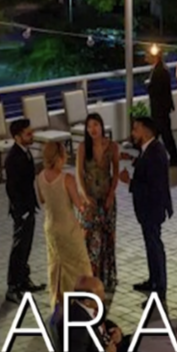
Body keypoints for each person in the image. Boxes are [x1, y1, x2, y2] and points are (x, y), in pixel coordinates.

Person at [119, 116, 173, 296]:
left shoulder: (155, 153)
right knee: (150, 245)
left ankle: (160, 287)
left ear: (145, 130)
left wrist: (129, 182)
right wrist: (134, 161)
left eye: (135, 129)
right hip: (148, 208)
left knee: (155, 246)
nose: (133, 133)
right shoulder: (149, 150)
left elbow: (154, 185)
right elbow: (147, 168)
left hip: (152, 207)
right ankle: (153, 280)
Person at [36, 141, 93, 309]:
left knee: (57, 267)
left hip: (51, 229)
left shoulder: (40, 177)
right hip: (68, 229)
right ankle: (84, 305)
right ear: (60, 157)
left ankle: (59, 303)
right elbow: (79, 205)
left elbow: (42, 200)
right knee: (80, 267)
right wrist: (86, 200)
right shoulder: (66, 179)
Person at [76, 113, 120, 296]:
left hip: (107, 198)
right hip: (90, 199)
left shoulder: (112, 147)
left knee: (107, 237)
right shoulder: (82, 148)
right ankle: (88, 277)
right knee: (88, 238)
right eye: (89, 127)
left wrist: (111, 195)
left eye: (95, 125)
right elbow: (78, 173)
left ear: (102, 126)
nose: (93, 129)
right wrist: (85, 197)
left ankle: (106, 276)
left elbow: (116, 172)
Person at [4, 118, 46, 301]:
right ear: (17, 137)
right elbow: (11, 188)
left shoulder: (26, 153)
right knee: (19, 247)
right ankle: (12, 286)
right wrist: (22, 211)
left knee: (26, 246)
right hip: (22, 210)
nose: (32, 136)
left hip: (29, 207)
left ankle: (23, 279)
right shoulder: (13, 158)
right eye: (28, 134)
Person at [145, 49, 177, 167]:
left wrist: (148, 86)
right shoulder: (158, 69)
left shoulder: (160, 71)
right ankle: (156, 158)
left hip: (160, 109)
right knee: (158, 136)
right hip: (160, 109)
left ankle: (173, 159)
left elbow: (159, 90)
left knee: (165, 136)